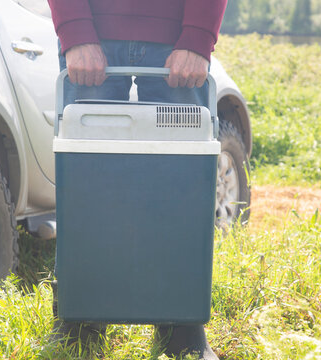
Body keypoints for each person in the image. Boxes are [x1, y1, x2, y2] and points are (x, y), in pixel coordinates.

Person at [47, 1, 228, 359]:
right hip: (91, 33)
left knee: (183, 185)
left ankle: (182, 320)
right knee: (87, 186)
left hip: (178, 36)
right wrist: (76, 30)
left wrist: (196, 36)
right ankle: (80, 317)